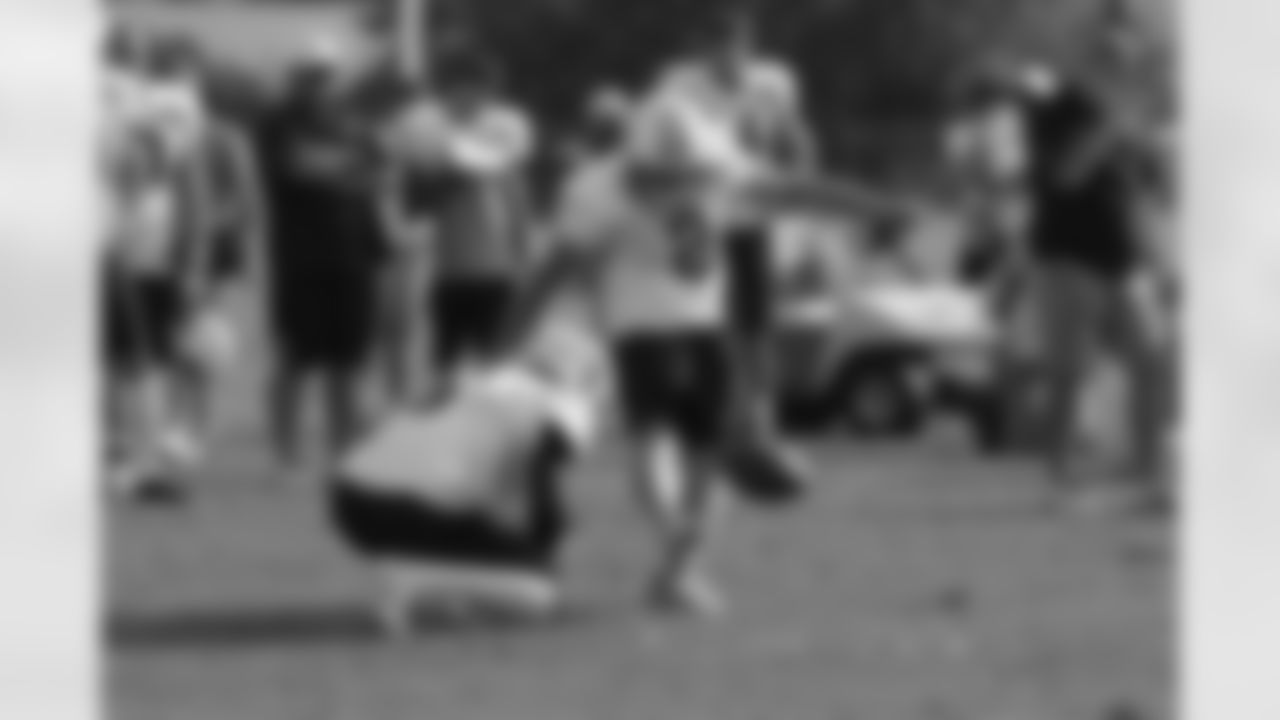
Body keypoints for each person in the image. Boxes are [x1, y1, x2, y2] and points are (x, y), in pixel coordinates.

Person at [638, 10, 819, 505]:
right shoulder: (676, 85)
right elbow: (656, 153)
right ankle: (701, 432)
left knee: (757, 333)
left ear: (748, 43)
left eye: (734, 43)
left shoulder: (772, 81)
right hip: (700, 224)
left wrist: (797, 178)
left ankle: (761, 432)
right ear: (700, 46)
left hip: (752, 223)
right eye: (716, 44)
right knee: (700, 335)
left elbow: (795, 140)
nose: (726, 55)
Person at [1015, 44, 1169, 511]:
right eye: (1115, 59)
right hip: (1068, 258)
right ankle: (1057, 479)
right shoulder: (1057, 108)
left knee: (1153, 360)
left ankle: (1148, 475)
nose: (1125, 68)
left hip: (1120, 260)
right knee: (1068, 373)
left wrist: (1154, 257)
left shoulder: (1122, 119)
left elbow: (1133, 192)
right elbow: (1067, 176)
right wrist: (1109, 127)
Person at [379, 44, 537, 401]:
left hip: (497, 271)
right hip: (448, 271)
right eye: (465, 88)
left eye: (482, 89)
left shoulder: (504, 133)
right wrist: (453, 171)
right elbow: (414, 201)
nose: (473, 98)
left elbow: (518, 204)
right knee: (444, 368)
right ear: (451, 90)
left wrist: (523, 259)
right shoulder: (427, 135)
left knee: (498, 368)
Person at [256, 48, 385, 473]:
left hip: (354, 258)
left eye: (325, 77)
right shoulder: (279, 121)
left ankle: (344, 453)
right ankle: (285, 452)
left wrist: (363, 168)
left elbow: (381, 175)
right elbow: (300, 166)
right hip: (302, 259)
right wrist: (356, 164)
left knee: (347, 363)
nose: (318, 86)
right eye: (310, 77)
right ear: (296, 79)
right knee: (295, 358)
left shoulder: (354, 123)